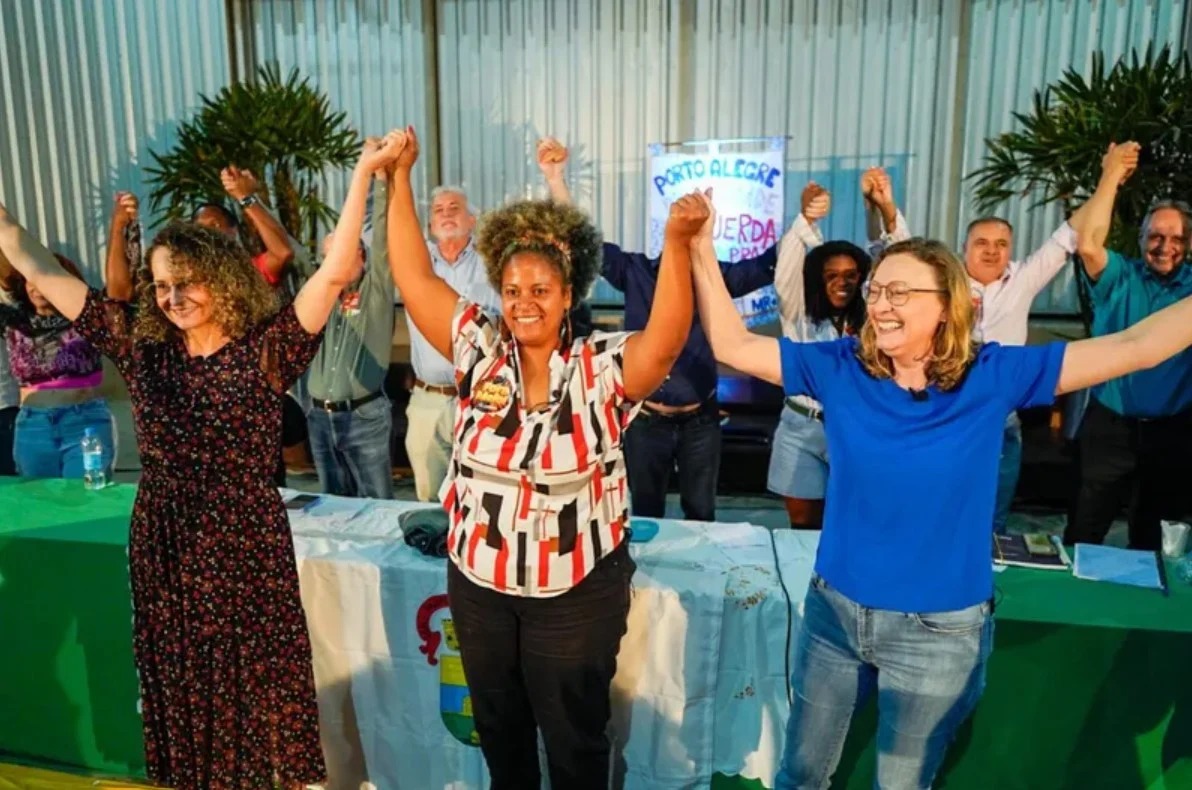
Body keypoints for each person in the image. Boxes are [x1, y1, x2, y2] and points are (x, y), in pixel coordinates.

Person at [688, 188, 1192, 787]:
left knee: (901, 783)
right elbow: (733, 345)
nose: (880, 304)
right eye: (877, 290)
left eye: (900, 292)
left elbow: (1138, 346)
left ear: (947, 306)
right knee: (800, 775)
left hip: (939, 632)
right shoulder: (841, 365)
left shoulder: (993, 373)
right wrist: (698, 246)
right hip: (834, 616)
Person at [0, 132, 405, 789]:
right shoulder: (141, 347)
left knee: (250, 685)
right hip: (165, 538)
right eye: (161, 285)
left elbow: (334, 271)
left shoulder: (266, 350)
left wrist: (363, 172)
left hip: (244, 542)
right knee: (182, 679)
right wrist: (8, 229)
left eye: (185, 282)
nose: (172, 297)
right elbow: (44, 272)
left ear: (219, 278)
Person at [386, 125, 705, 789]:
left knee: (573, 742)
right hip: (480, 588)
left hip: (574, 596)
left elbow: (667, 340)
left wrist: (677, 244)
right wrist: (399, 177)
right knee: (500, 736)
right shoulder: (478, 348)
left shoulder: (599, 367)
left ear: (567, 296)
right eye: (512, 289)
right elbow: (414, 276)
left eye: (540, 289)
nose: (523, 302)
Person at [538, 136, 788, 522]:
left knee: (701, 513)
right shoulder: (635, 271)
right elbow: (580, 240)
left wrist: (805, 224)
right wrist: (555, 178)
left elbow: (768, 265)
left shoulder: (714, 277)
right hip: (645, 419)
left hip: (700, 420)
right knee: (644, 514)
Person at [1065, 142, 1192, 550]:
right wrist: (1111, 176)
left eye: (1177, 238)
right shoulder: (1120, 276)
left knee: (1155, 543)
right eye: (1155, 236)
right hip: (1110, 427)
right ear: (1140, 239)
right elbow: (1088, 244)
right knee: (1084, 531)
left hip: (1172, 431)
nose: (1165, 246)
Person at [768, 169, 906, 529]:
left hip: (858, 425)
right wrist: (805, 219)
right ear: (817, 279)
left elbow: (900, 265)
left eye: (851, 275)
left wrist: (885, 209)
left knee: (859, 521)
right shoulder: (798, 312)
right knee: (803, 526)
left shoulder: (875, 316)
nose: (842, 282)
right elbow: (786, 272)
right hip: (801, 426)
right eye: (831, 275)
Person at [403, 183, 500, 502]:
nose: (446, 215)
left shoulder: (494, 263)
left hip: (481, 398)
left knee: (481, 494)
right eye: (438, 210)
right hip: (428, 400)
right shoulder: (416, 264)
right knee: (429, 500)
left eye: (454, 208)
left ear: (472, 220)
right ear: (430, 225)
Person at [304, 173, 396, 498]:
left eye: (344, 252)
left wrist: (381, 181)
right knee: (331, 507)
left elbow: (384, 237)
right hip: (319, 417)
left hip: (363, 416)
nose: (336, 263)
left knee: (378, 506)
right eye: (329, 256)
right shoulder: (318, 297)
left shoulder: (375, 290)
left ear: (363, 256)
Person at [0, 250, 115, 478]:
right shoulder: (15, 321)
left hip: (85, 424)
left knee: (86, 495)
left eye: (44, 278)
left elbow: (118, 292)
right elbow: (6, 272)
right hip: (33, 426)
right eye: (31, 280)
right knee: (39, 497)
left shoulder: (85, 318)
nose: (37, 287)